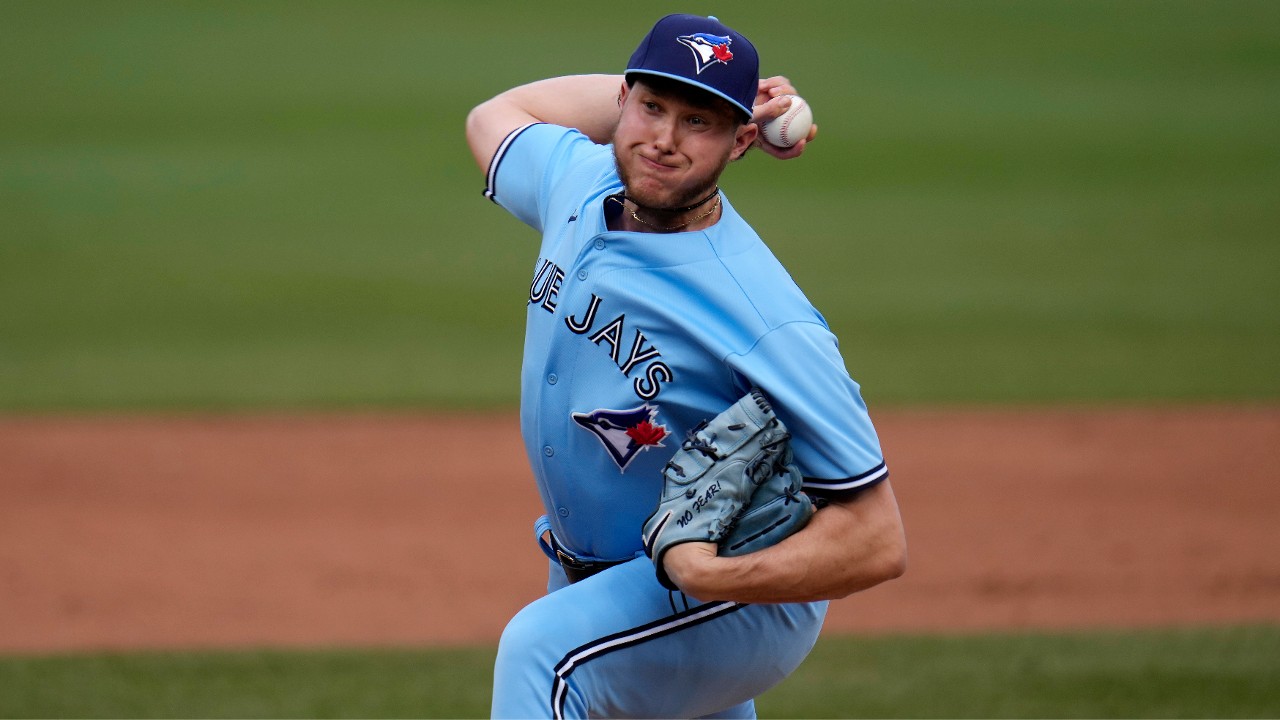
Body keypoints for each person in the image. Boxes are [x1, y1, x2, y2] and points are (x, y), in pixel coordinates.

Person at [465, 13, 906, 719]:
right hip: (604, 584)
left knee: (543, 657)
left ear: (741, 143)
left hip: (728, 600)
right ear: (622, 105)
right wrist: (698, 91)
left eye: (698, 122)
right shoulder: (576, 185)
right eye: (651, 108)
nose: (663, 141)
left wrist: (716, 573)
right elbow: (497, 116)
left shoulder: (764, 318)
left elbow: (877, 539)